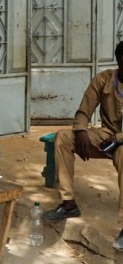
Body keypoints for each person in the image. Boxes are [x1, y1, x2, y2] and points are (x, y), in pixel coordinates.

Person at [44, 40, 123, 252]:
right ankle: (68, 204)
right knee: (63, 137)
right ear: (119, 62)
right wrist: (80, 131)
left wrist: (119, 137)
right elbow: (84, 111)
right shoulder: (104, 79)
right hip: (107, 134)